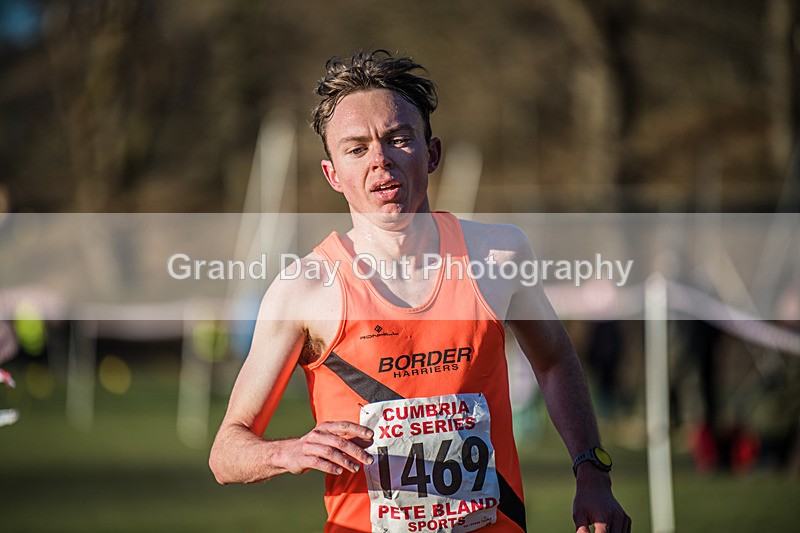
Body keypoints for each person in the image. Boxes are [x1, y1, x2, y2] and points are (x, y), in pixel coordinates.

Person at [209, 50, 631, 533]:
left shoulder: (499, 255)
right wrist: (290, 452)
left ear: (431, 154)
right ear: (333, 175)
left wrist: (592, 472)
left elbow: (554, 361)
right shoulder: (303, 289)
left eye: (397, 139)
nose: (380, 160)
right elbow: (226, 452)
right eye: (356, 149)